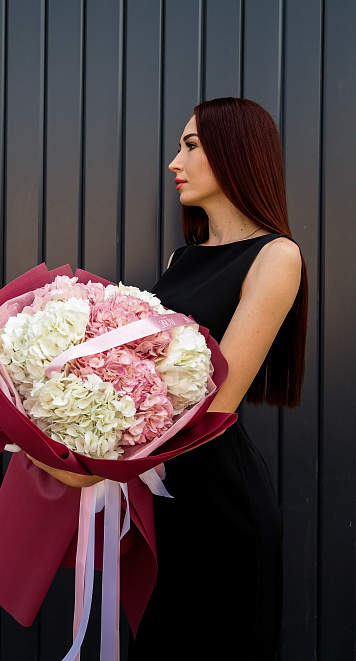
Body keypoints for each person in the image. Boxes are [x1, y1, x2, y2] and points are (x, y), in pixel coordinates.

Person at [26, 97, 308, 659]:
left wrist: (92, 467)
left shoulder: (277, 257)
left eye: (192, 145)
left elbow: (214, 404)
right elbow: (144, 378)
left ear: (236, 152)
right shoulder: (183, 261)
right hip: (165, 508)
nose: (175, 161)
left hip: (223, 512)